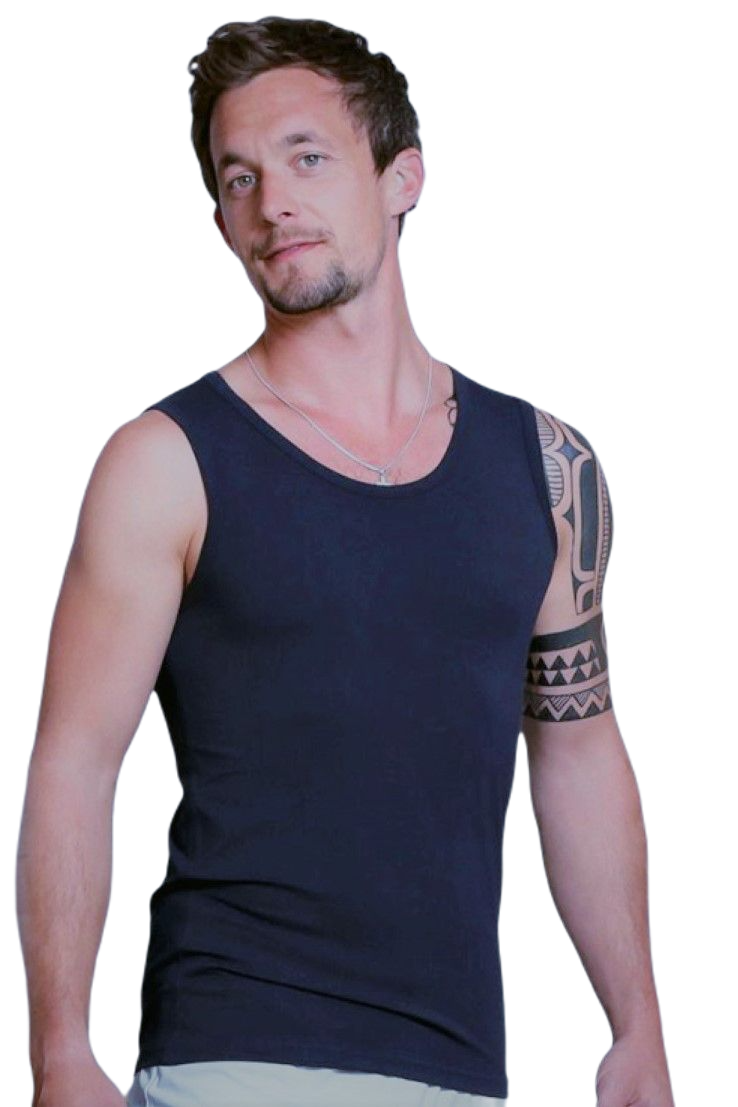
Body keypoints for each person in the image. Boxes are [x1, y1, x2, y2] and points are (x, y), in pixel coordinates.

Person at [16, 15, 675, 1107]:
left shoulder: (546, 468)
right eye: (239, 177)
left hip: (458, 1069)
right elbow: (75, 761)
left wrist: (637, 1024)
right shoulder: (166, 463)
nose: (271, 202)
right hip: (229, 1054)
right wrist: (60, 1052)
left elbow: (578, 751)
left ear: (402, 176)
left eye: (308, 158)